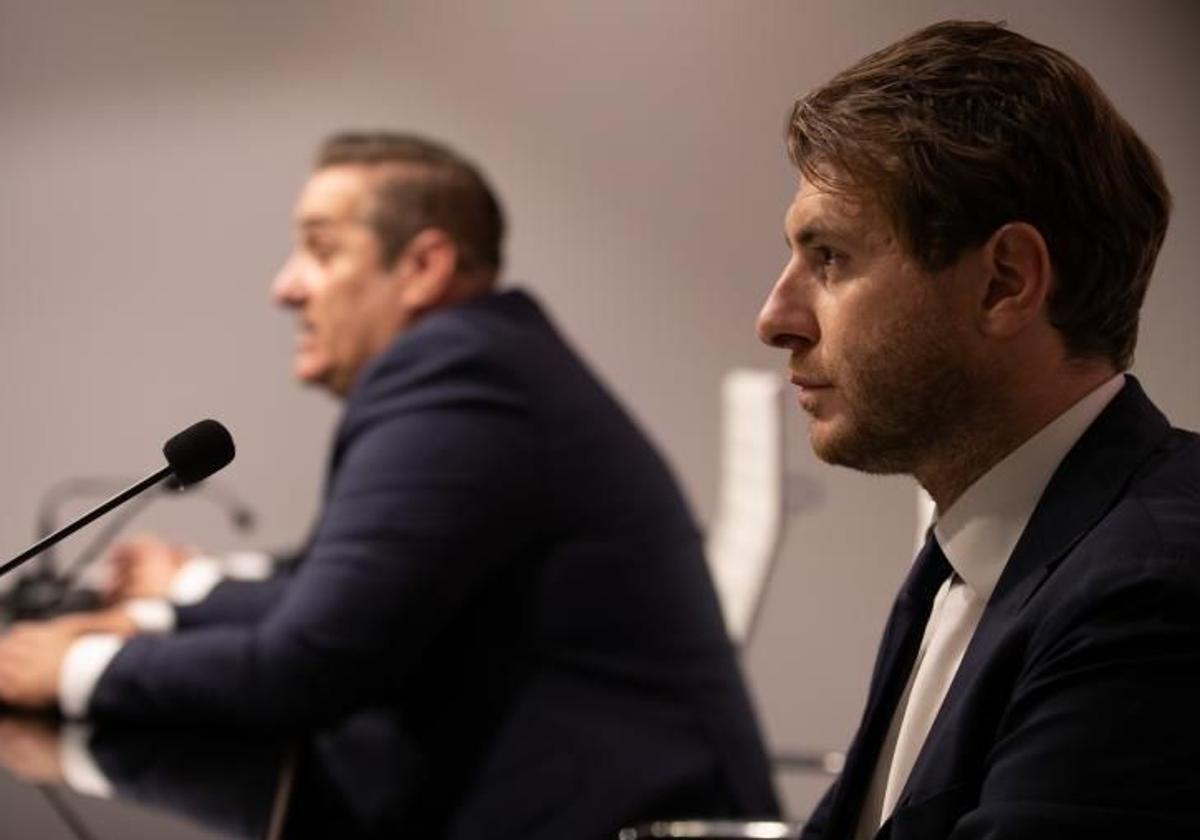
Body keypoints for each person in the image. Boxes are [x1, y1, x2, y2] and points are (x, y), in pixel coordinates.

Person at [0, 132, 779, 838]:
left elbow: (308, 666)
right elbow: (337, 596)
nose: (286, 286)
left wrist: (69, 667)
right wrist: (183, 595)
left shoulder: (461, 378)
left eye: (320, 249)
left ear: (423, 267)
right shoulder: (489, 361)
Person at [756, 20, 1200, 840]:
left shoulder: (1152, 594)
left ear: (1004, 282)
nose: (775, 319)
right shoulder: (971, 554)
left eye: (828, 259)